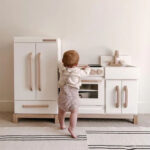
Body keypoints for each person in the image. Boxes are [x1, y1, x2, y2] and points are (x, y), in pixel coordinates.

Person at [58, 50, 91, 138]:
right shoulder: (78, 71)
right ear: (76, 64)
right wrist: (87, 68)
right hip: (72, 95)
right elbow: (86, 73)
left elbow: (60, 63)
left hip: (62, 94)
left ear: (63, 62)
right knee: (74, 112)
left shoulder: (62, 68)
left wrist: (64, 62)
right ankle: (71, 128)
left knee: (61, 110)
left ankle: (61, 125)